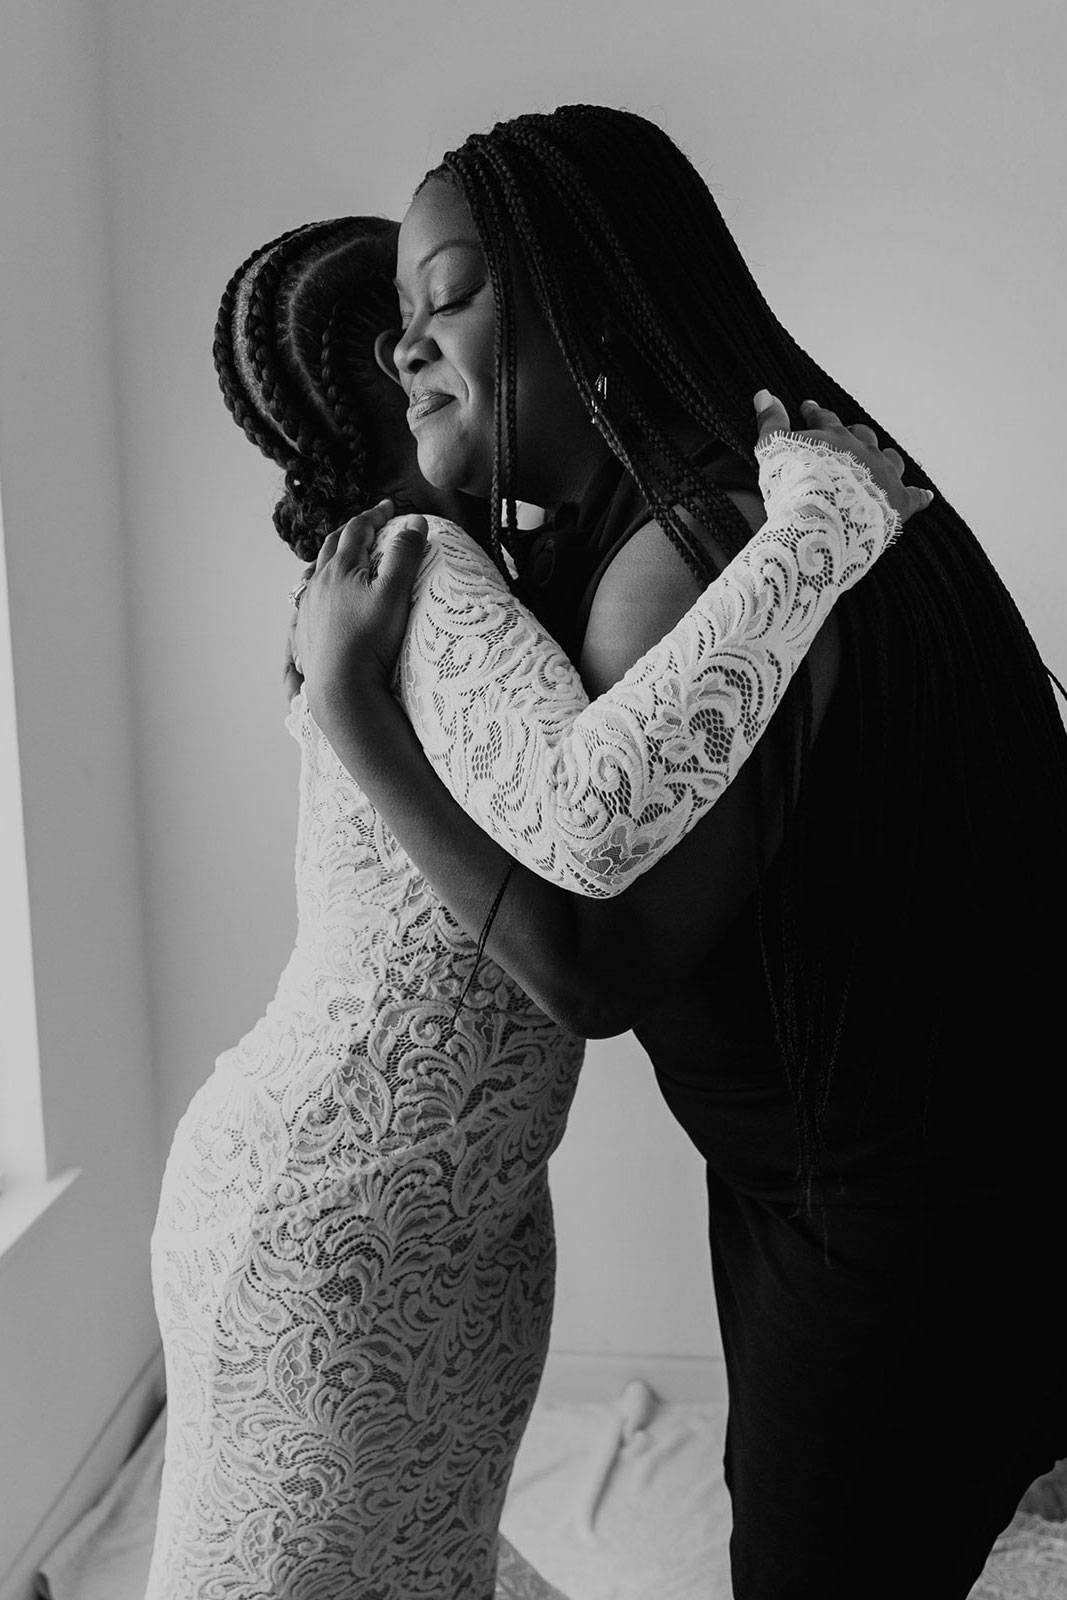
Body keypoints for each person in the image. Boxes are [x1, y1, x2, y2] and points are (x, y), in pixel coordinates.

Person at [292, 108, 1067, 1600]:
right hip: (886, 1172)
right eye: (399, 322)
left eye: (447, 295)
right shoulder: (735, 506)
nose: (410, 346)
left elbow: (597, 960)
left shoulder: (684, 557)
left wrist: (352, 712)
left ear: (591, 296)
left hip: (889, 1228)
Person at [146, 215, 909, 1600]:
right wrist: (821, 527)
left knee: (416, 1567)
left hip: (439, 1219)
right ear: (397, 363)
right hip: (344, 1216)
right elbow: (595, 815)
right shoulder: (425, 583)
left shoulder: (442, 566)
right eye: (431, 308)